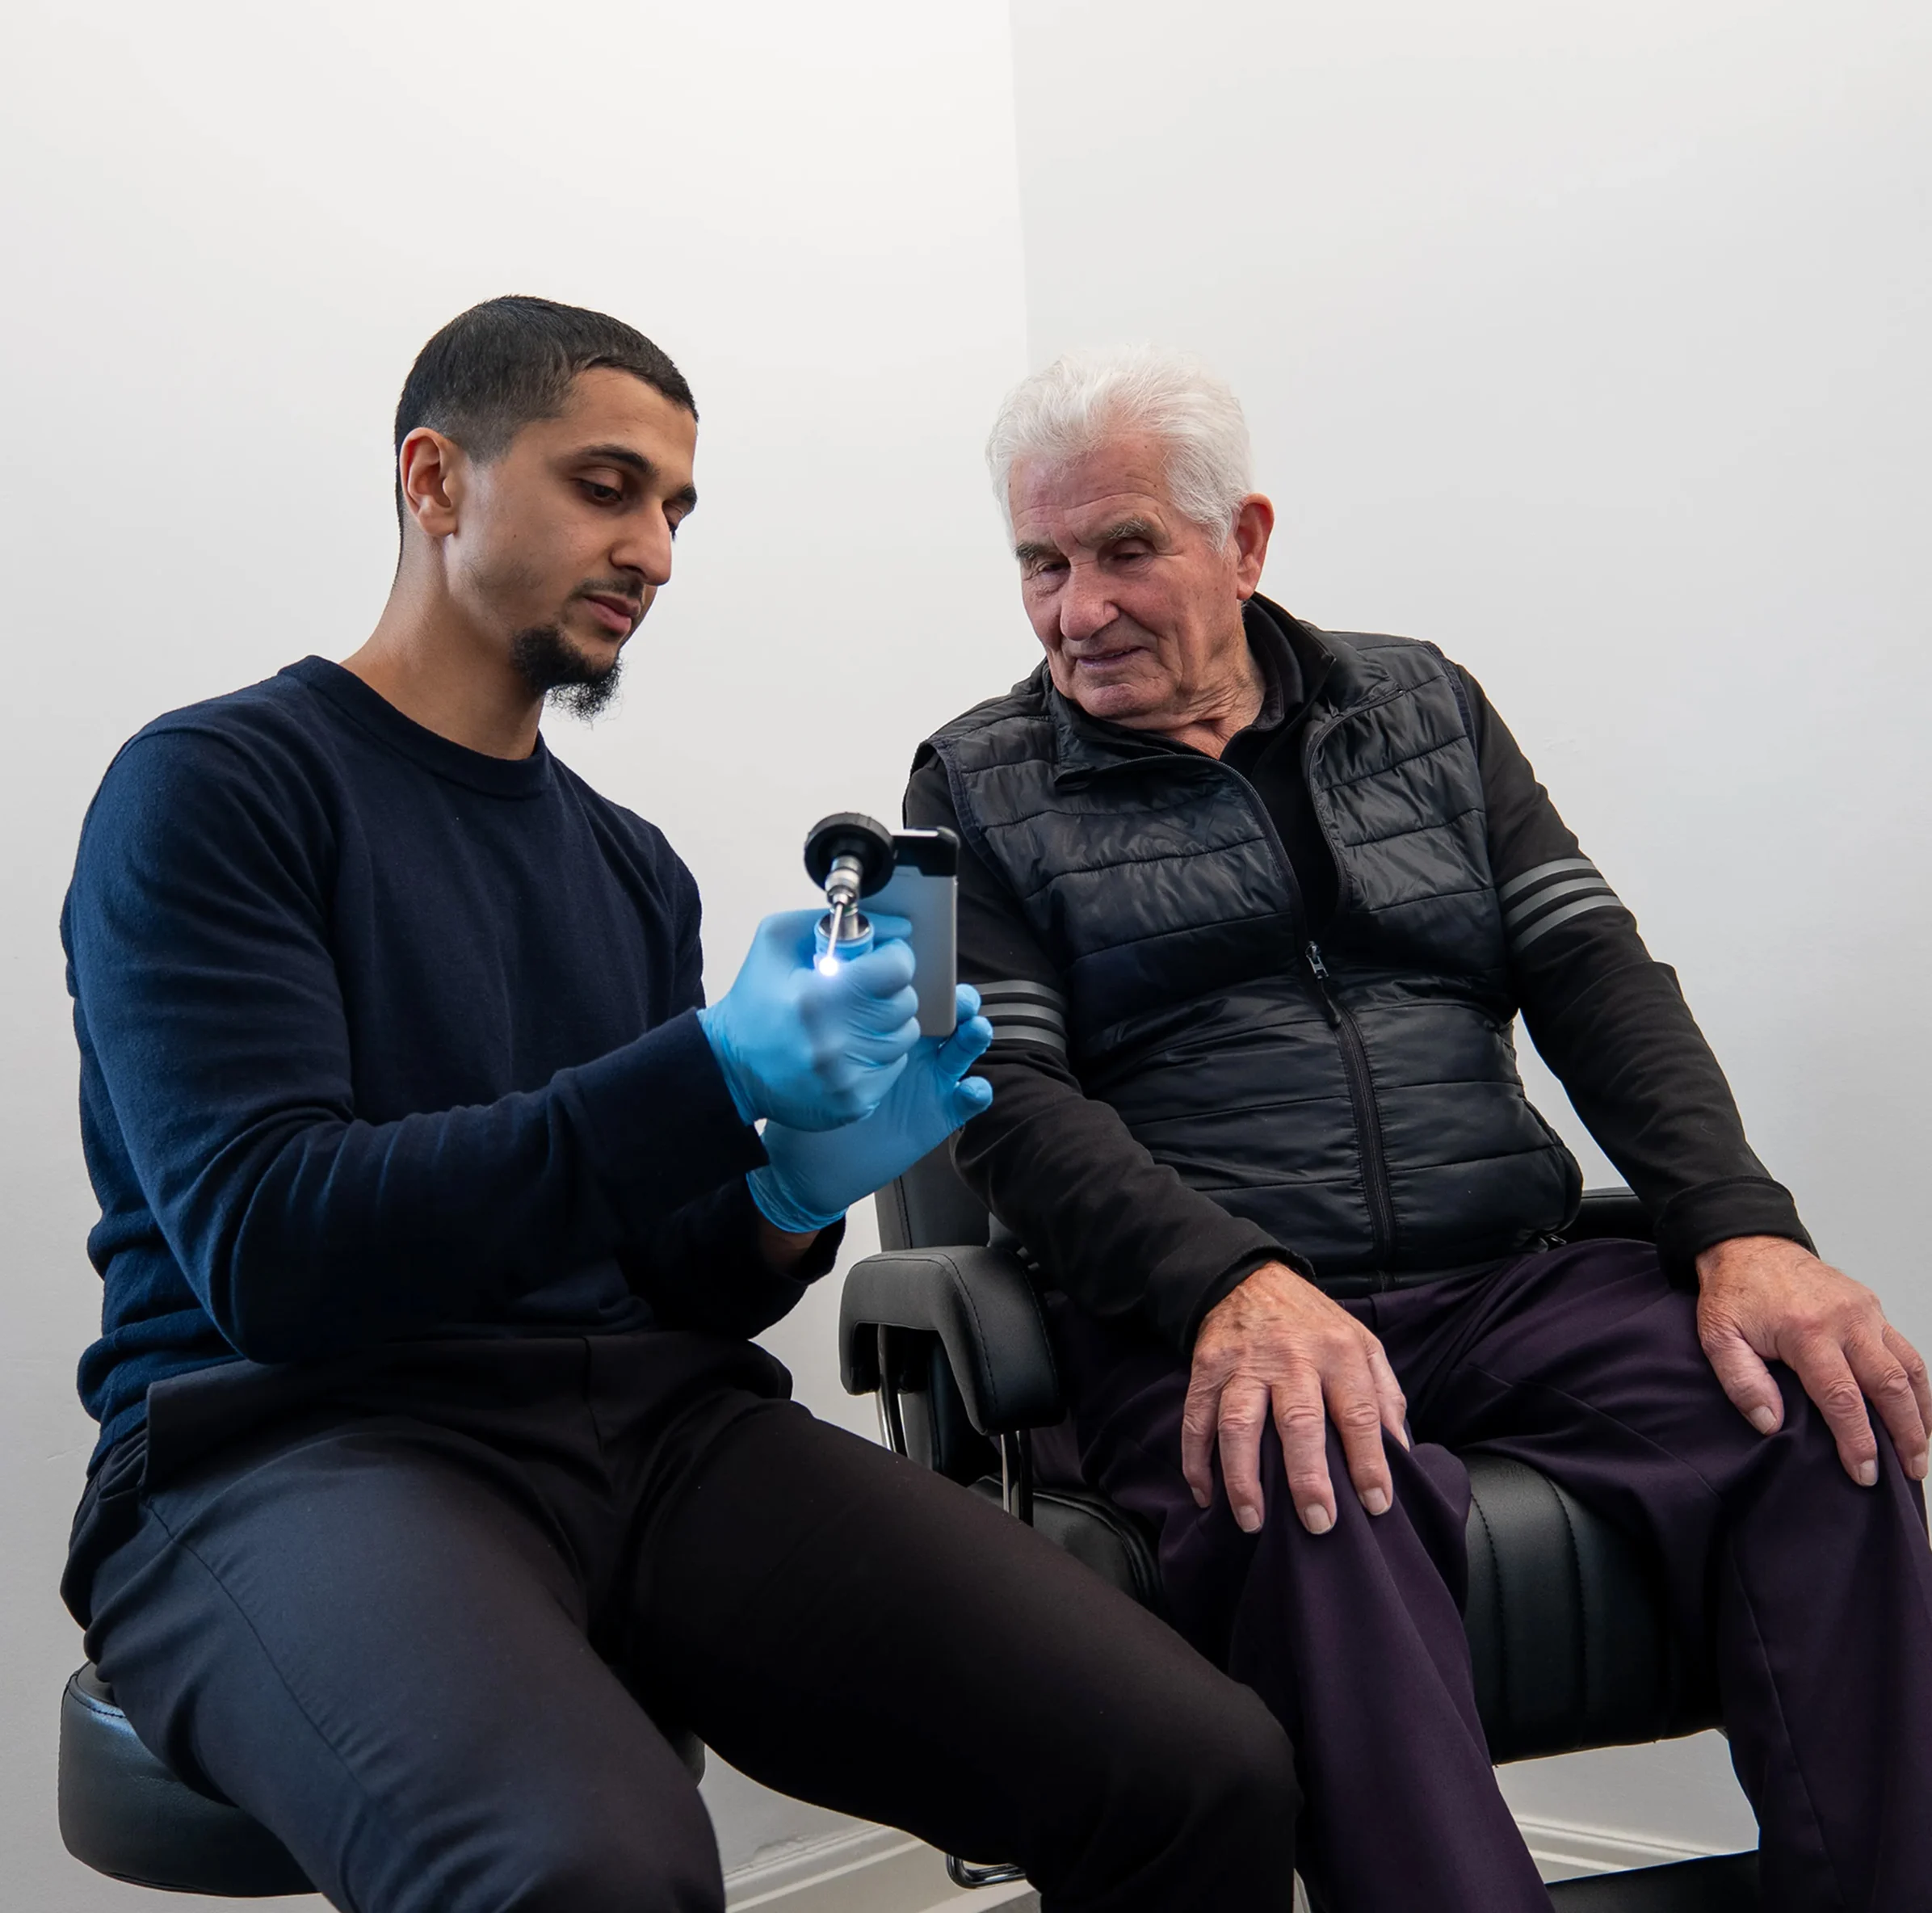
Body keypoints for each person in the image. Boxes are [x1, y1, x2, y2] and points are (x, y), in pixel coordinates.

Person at [59, 301, 1300, 1913]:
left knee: (1198, 1764)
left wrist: (791, 1188)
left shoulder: (625, 863)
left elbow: (673, 1274)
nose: (651, 546)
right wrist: (705, 1077)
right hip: (285, 1444)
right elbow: (273, 1251)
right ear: (436, 481)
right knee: (589, 1871)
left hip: (647, 1427)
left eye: (673, 508)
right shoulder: (220, 787)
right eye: (605, 485)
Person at [905, 343, 1932, 1912]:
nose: (1076, 609)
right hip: (1205, 1316)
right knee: (1316, 1482)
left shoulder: (1422, 704)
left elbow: (1592, 972)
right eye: (1040, 564)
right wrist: (1226, 1281)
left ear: (1242, 542)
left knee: (1816, 1413)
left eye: (1124, 550)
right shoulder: (970, 783)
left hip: (1504, 1276)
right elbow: (998, 1099)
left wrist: (1741, 1226)